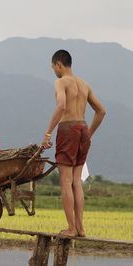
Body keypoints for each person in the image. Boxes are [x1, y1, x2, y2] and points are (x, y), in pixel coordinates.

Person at [41, 50, 106, 237]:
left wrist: (47, 134)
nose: (54, 70)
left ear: (58, 64)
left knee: (66, 181)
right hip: (82, 128)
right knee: (77, 181)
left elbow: (61, 106)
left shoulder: (61, 82)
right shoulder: (84, 84)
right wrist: (89, 133)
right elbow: (101, 111)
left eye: (53, 67)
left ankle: (70, 228)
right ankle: (80, 228)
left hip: (68, 129)